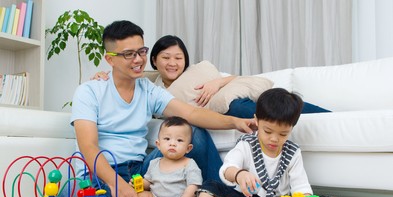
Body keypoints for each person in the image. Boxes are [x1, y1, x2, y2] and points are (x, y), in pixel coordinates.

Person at [59, 20, 255, 197]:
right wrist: (117, 184)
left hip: (140, 172)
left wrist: (235, 122)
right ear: (110, 59)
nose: (138, 59)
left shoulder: (148, 89)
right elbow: (88, 146)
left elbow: (192, 114)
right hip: (101, 173)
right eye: (129, 54)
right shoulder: (89, 91)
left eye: (142, 51)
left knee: (193, 132)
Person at [185, 87, 385, 197]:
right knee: (210, 186)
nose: (274, 139)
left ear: (291, 129)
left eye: (283, 134)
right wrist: (239, 175)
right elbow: (226, 168)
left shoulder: (292, 152)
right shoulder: (247, 144)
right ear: (256, 121)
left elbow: (301, 188)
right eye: (268, 131)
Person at [94, 35, 330, 118]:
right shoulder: (151, 85)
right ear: (154, 60)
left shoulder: (196, 74)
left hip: (233, 101)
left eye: (178, 57)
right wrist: (103, 75)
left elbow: (236, 78)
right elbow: (127, 73)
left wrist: (217, 82)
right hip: (224, 112)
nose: (173, 63)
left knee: (273, 102)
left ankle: (328, 116)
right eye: (166, 58)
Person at [100, 116, 202, 197]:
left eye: (179, 140)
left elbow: (193, 187)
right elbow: (148, 182)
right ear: (158, 144)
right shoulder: (155, 163)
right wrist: (139, 184)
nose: (172, 143)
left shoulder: (189, 164)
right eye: (167, 139)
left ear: (188, 148)